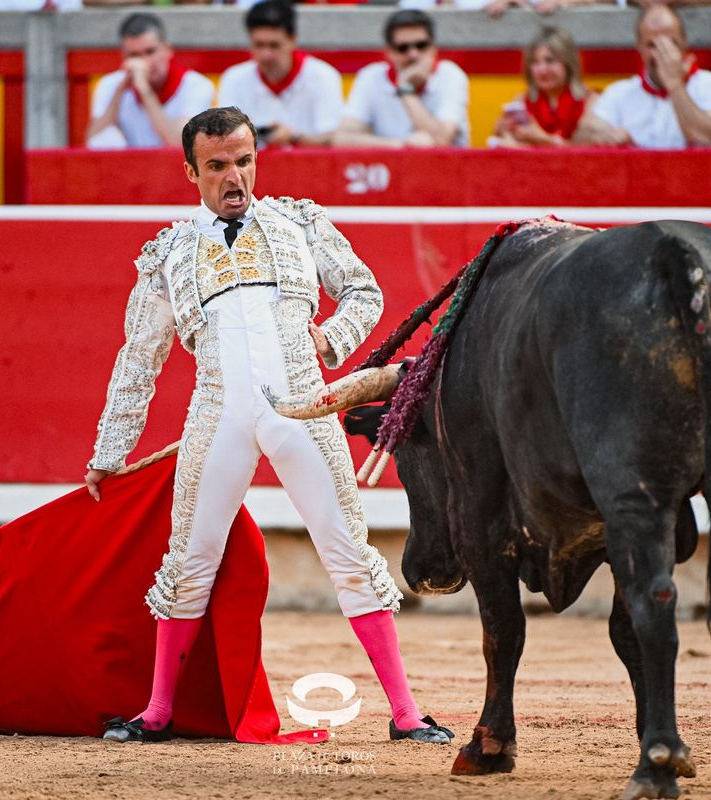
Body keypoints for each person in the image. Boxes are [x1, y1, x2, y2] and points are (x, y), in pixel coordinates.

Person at [84, 107, 453, 747]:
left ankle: (406, 713)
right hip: (217, 413)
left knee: (348, 553)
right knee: (188, 563)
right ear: (191, 172)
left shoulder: (300, 222)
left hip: (304, 405)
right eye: (218, 166)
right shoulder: (168, 251)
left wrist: (331, 341)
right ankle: (158, 713)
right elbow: (139, 357)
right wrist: (109, 451)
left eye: (245, 161)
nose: (236, 178)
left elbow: (364, 292)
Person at [575, 5, 711, 149]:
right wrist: (602, 136)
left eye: (670, 42)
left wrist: (675, 85)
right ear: (639, 47)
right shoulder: (620, 92)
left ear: (684, 42)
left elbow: (706, 138)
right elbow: (582, 137)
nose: (662, 53)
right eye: (652, 45)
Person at [217, 0, 344, 148]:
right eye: (259, 45)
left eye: (274, 45)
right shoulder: (234, 78)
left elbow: (331, 139)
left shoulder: (324, 76)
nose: (266, 55)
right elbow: (223, 138)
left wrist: (294, 137)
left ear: (292, 40)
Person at [334, 10, 469, 148]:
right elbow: (342, 139)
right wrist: (401, 146)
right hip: (389, 167)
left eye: (421, 45)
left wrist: (405, 89)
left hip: (446, 168)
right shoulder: (371, 76)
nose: (413, 54)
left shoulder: (450, 75)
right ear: (388, 52)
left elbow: (442, 139)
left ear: (433, 48)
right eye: (402, 48)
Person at [85, 13, 215, 149]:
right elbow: (93, 138)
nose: (144, 61)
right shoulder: (110, 84)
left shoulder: (197, 85)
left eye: (150, 51)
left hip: (177, 168)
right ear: (123, 56)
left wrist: (145, 91)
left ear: (168, 50)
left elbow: (179, 142)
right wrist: (119, 92)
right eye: (134, 55)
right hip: (127, 167)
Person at [489, 26, 595, 148]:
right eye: (535, 62)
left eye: (550, 61)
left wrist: (543, 139)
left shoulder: (590, 101)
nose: (542, 70)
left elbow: (593, 154)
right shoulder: (521, 102)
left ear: (568, 63)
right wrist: (502, 132)